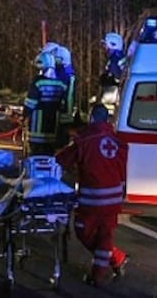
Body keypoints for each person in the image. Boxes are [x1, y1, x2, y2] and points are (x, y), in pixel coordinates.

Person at [55, 104, 129, 286]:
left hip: (92, 199)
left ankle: (100, 273)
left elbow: (63, 159)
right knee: (104, 235)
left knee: (83, 231)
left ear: (92, 118)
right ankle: (113, 261)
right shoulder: (117, 141)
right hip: (114, 198)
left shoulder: (85, 140)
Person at [21, 52, 67, 156]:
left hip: (37, 126)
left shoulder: (38, 82)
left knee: (36, 154)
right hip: (53, 126)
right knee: (49, 154)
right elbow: (63, 104)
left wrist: (24, 115)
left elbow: (30, 103)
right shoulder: (61, 84)